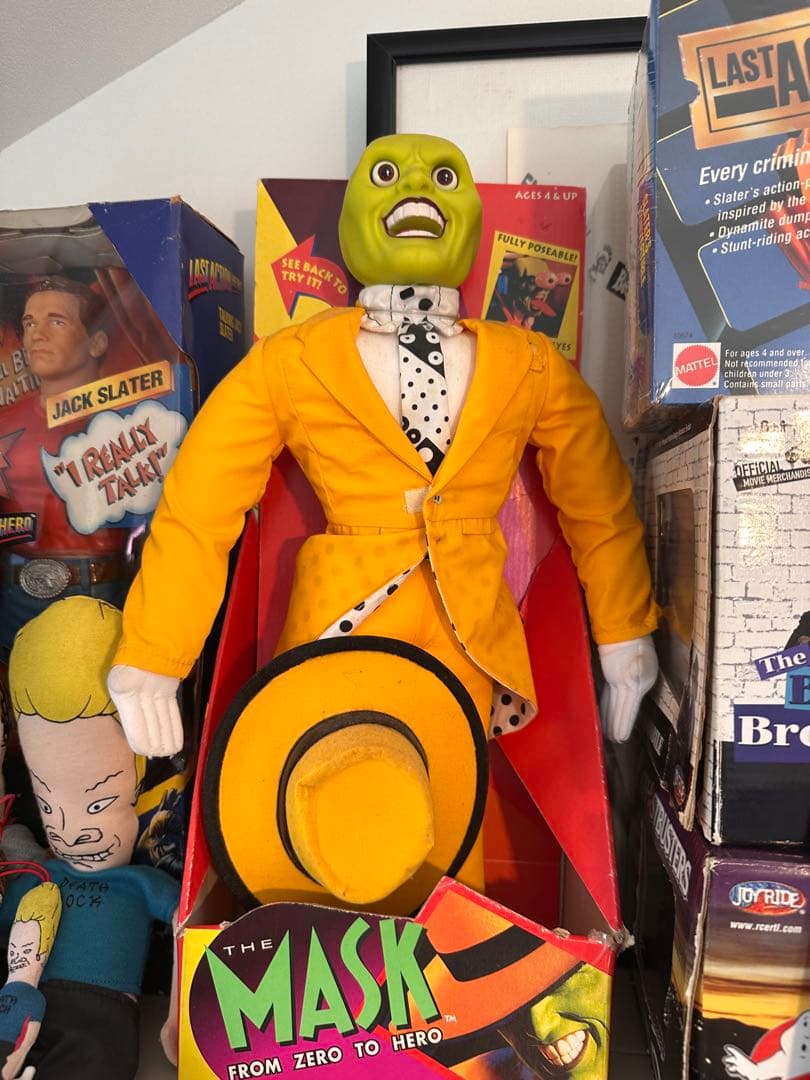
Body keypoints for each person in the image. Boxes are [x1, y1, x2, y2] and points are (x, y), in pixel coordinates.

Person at [108, 134, 659, 904]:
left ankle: (450, 956)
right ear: (353, 219)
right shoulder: (293, 360)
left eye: (443, 176)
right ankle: (316, 954)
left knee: (450, 805)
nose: (417, 190)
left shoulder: (528, 364)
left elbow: (599, 501)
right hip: (342, 617)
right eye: (389, 175)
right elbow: (200, 504)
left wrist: (624, 630)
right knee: (327, 806)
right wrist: (155, 652)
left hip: (468, 624)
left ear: (471, 216)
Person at [3, 596, 179, 1079]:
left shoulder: (140, 884)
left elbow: (189, 923)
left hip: (103, 1017)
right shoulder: (33, 875)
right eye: (48, 806)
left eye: (98, 805)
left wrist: (181, 1014)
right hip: (17, 1008)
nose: (71, 830)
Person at [0, 277, 133, 663]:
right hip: (15, 592)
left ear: (96, 343)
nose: (37, 335)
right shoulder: (6, 420)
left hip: (102, 592)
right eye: (29, 323)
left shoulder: (129, 418)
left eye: (56, 321)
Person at [0, 882, 61, 1080]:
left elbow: (25, 1039)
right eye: (14, 951)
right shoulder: (32, 1000)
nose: (17, 955)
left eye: (26, 950)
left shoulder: (32, 1000)